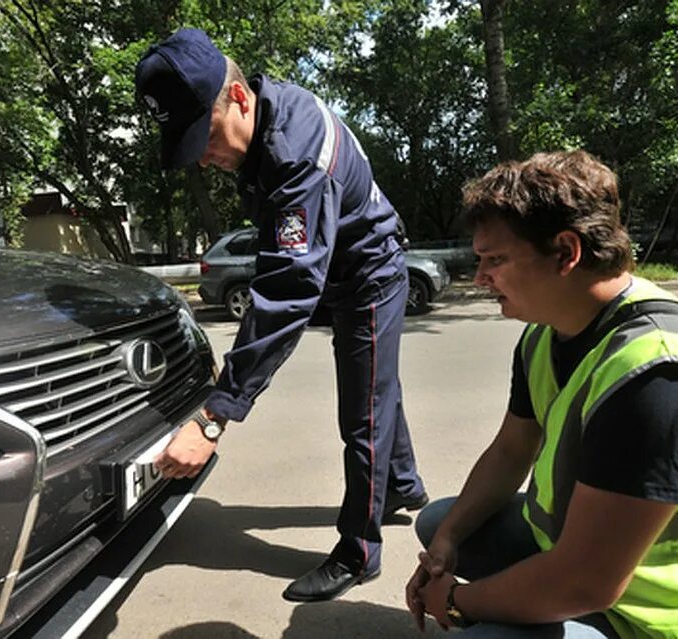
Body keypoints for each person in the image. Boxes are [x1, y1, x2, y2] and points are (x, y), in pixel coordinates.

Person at [405, 150, 678, 637]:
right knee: (442, 520)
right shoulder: (545, 336)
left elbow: (584, 584)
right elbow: (511, 450)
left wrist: (460, 602)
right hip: (606, 571)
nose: (481, 277)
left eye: (495, 260)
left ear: (567, 252)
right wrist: (447, 541)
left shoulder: (659, 379)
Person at [134, 29, 428, 602]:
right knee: (377, 389)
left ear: (239, 98)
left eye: (206, 137)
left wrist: (214, 416)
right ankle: (403, 484)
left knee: (363, 413)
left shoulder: (295, 157)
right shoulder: (273, 113)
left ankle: (359, 551)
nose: (203, 157)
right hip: (345, 266)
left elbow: (289, 288)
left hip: (367, 274)